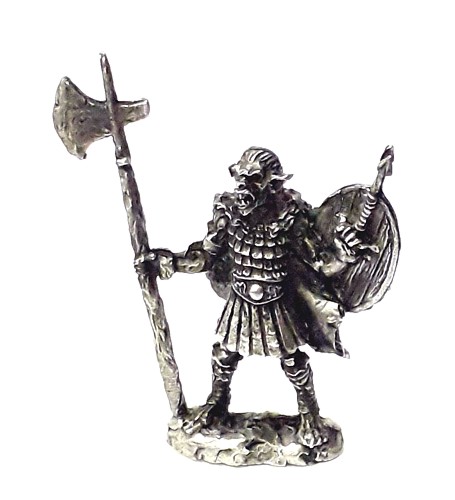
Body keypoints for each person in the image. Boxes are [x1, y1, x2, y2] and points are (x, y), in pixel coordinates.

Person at [137, 147, 365, 446]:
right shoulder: (229, 213)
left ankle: (309, 415)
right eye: (240, 177)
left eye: (254, 179)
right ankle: (217, 404)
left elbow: (319, 262)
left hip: (278, 302)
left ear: (273, 183)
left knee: (293, 362)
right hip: (240, 300)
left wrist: (344, 254)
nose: (244, 186)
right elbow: (206, 255)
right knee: (224, 355)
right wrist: (172, 263)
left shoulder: (290, 216)